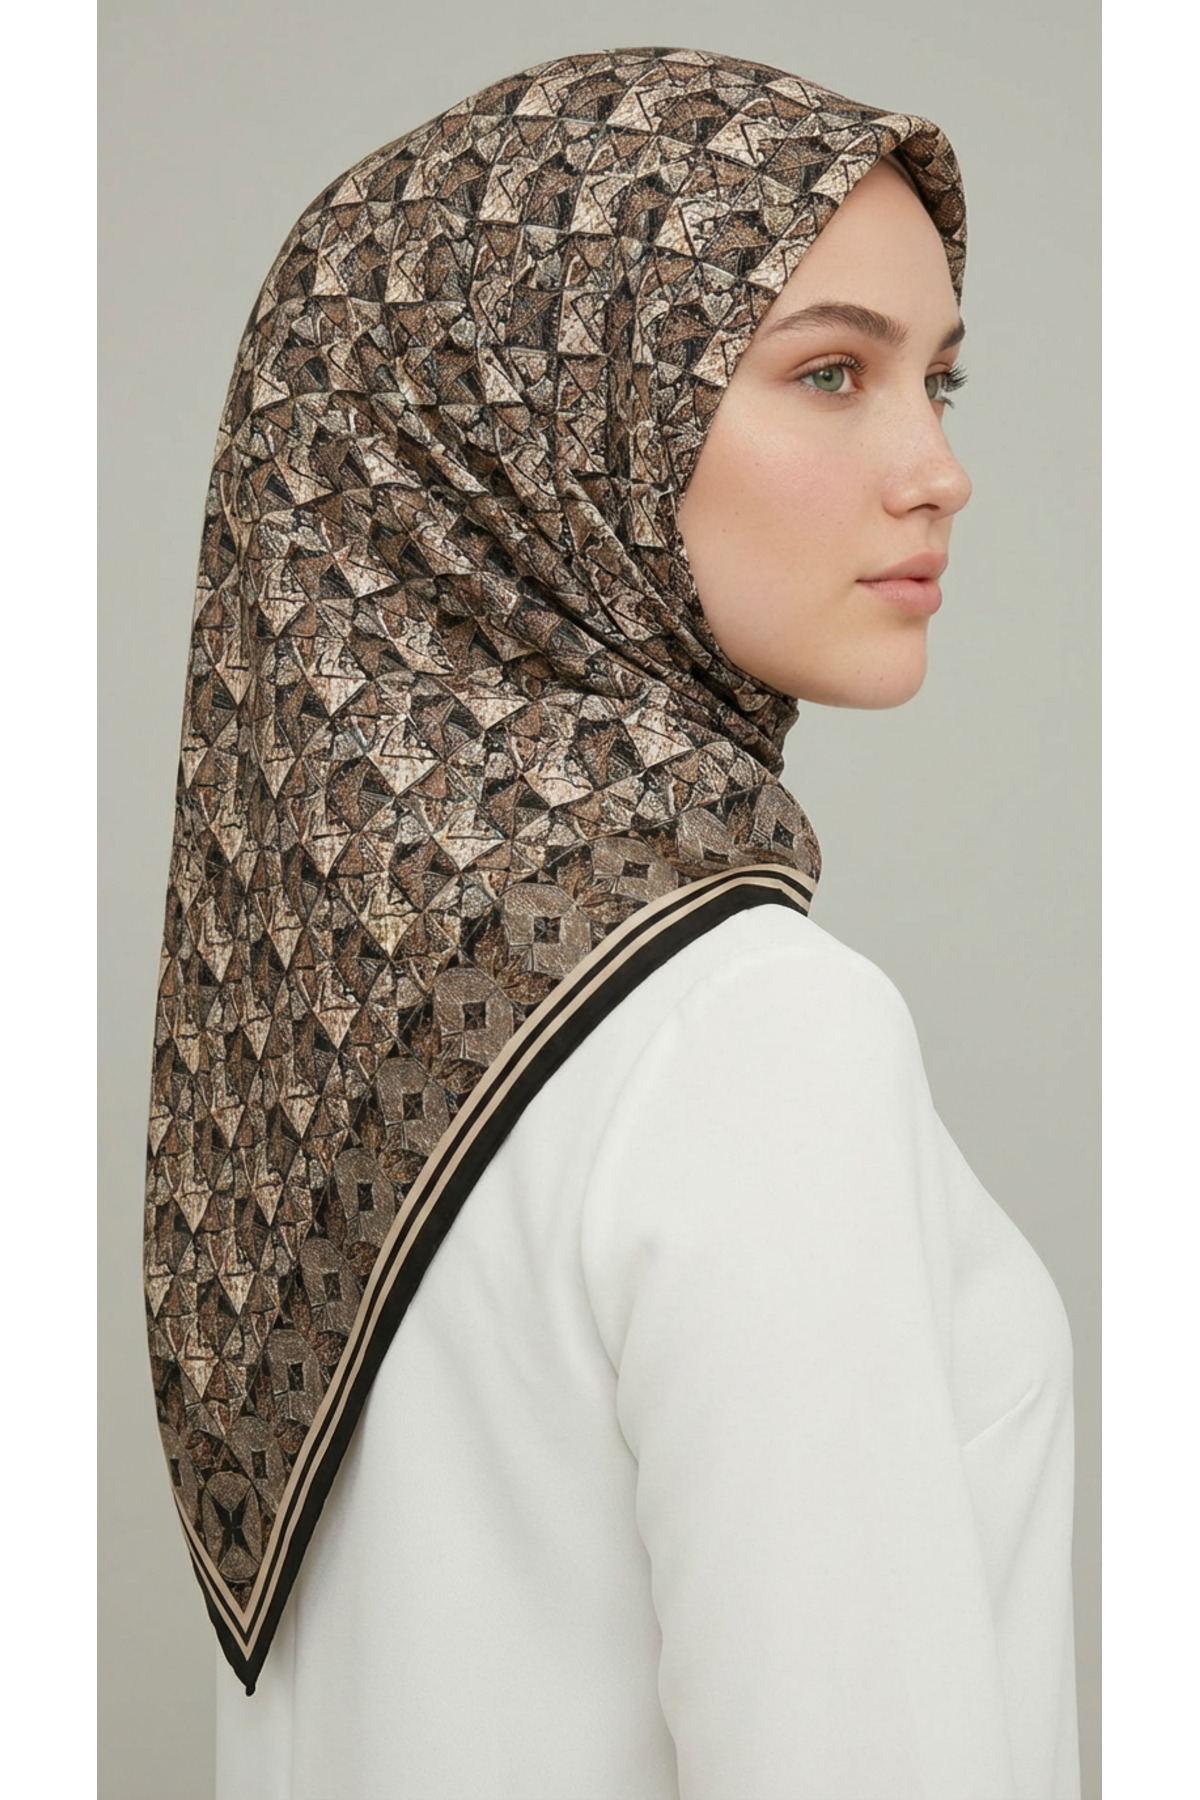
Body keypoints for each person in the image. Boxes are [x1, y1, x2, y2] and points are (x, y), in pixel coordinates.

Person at [144, 46, 1079, 1800]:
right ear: (545, 427)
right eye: (830, 372)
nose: (938, 469)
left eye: (941, 379)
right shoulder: (748, 1027)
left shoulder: (316, 1044)